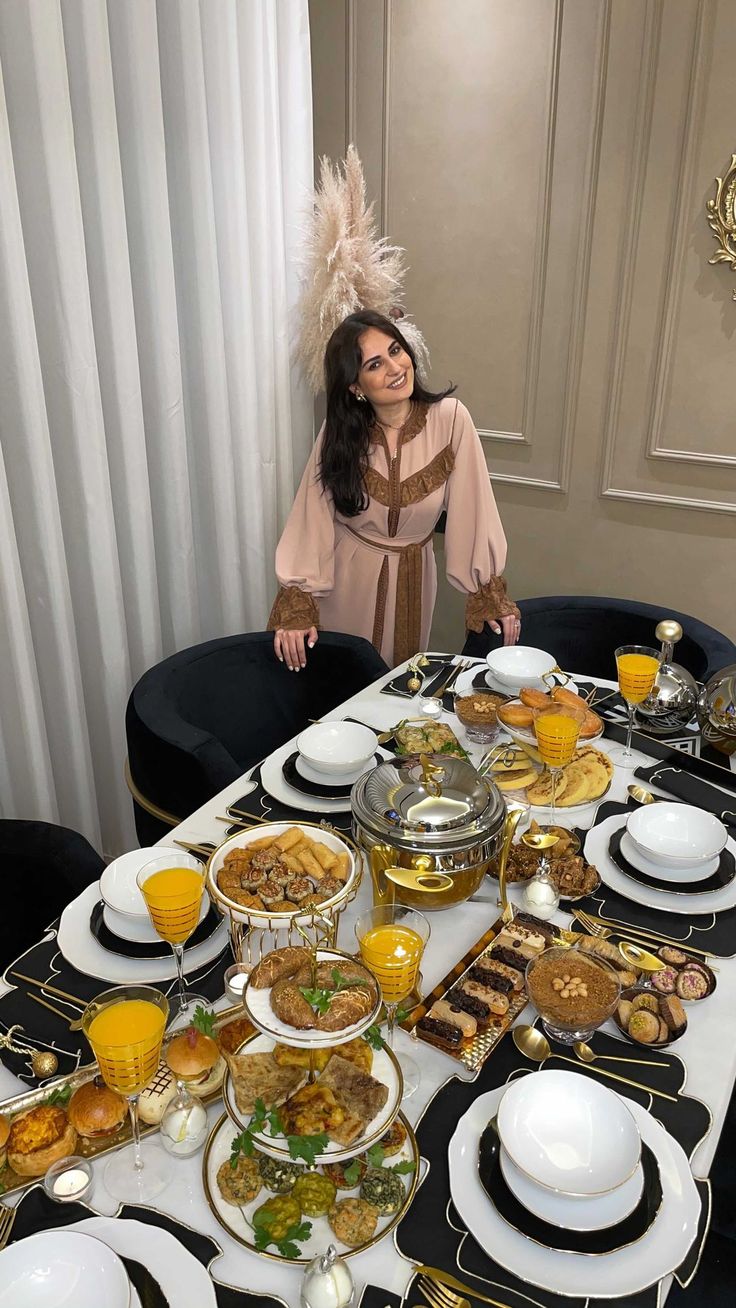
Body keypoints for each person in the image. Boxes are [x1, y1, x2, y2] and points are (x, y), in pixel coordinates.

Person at [269, 310, 520, 671]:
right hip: (344, 584)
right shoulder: (338, 433)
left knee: (399, 693)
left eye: (395, 350)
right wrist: (298, 600)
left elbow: (474, 510)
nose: (394, 367)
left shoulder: (451, 420)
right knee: (342, 694)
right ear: (355, 386)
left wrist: (487, 591)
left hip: (414, 579)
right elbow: (313, 516)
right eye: (374, 364)